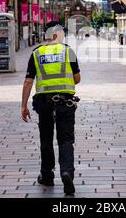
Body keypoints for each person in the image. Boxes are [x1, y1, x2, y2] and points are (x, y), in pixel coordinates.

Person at [20, 21, 81, 195]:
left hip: (44, 102)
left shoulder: (37, 53)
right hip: (65, 102)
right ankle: (67, 171)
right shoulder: (68, 51)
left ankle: (47, 175)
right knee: (66, 139)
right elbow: (77, 78)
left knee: (46, 138)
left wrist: (23, 105)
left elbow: (28, 81)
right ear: (57, 33)